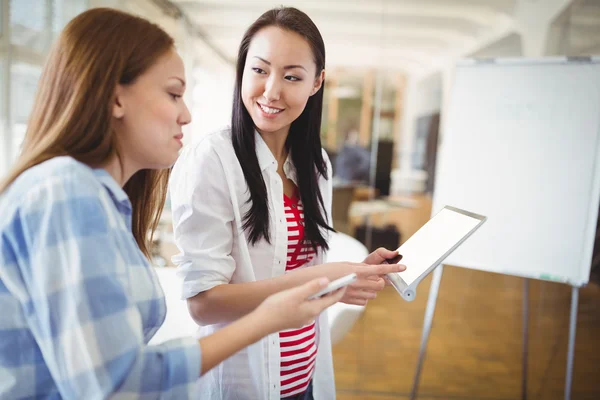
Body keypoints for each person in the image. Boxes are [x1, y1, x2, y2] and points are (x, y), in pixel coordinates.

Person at [0, 8, 350, 399]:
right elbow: (118, 385)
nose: (185, 114)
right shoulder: (64, 193)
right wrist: (267, 318)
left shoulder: (96, 197)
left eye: (292, 76)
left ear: (316, 83)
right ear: (117, 98)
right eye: (173, 94)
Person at [169, 6, 405, 399]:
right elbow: (203, 303)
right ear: (242, 70)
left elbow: (299, 271)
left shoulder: (316, 166)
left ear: (316, 83)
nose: (271, 90)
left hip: (304, 380)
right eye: (259, 70)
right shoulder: (212, 159)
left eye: (292, 76)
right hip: (244, 385)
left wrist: (345, 277)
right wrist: (321, 280)